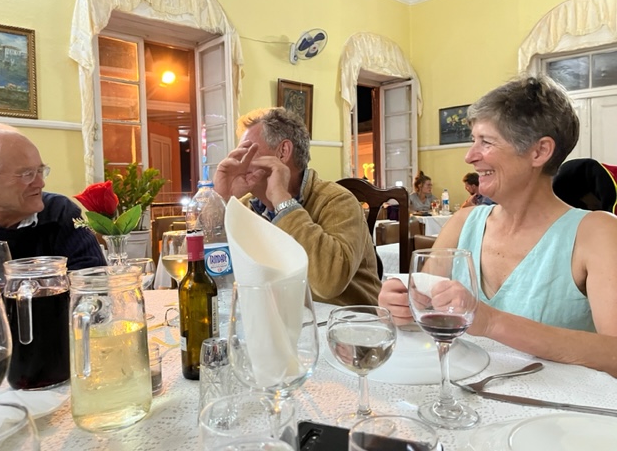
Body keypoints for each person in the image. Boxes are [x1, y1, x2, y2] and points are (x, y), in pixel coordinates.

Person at [379, 75, 617, 378]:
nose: (469, 156)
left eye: (486, 142)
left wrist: (491, 322)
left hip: (557, 406)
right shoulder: (463, 223)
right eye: (473, 140)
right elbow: (426, 313)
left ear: (539, 152)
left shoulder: (597, 233)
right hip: (463, 395)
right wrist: (402, 308)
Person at [214, 107, 381, 306]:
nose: (239, 162)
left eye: (247, 151)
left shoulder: (337, 201)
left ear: (283, 152)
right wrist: (221, 200)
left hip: (347, 320)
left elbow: (329, 284)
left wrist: (282, 202)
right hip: (279, 318)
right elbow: (203, 267)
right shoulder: (245, 207)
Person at [0, 122, 106, 270]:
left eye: (40, 171)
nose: (40, 183)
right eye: (27, 174)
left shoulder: (58, 211)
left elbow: (92, 277)